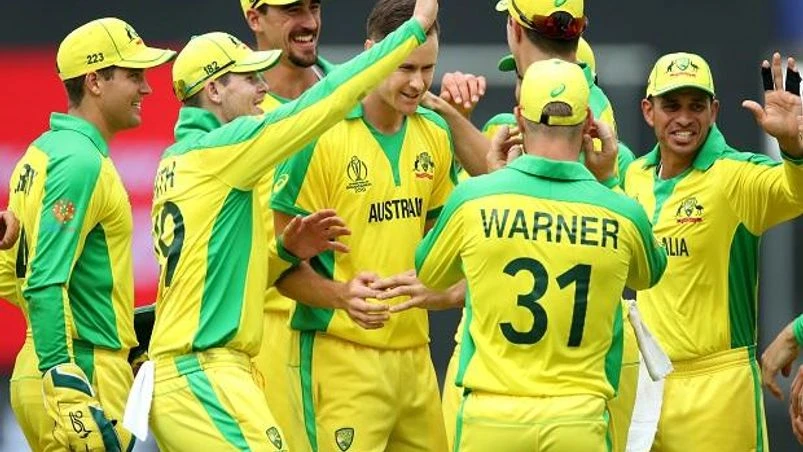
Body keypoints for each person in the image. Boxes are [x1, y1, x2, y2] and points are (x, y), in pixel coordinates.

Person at [143, 0, 439, 448]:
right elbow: (325, 102)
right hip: (205, 366)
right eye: (249, 78)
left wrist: (286, 251)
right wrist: (414, 28)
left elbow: (221, 266)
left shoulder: (177, 158)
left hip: (196, 365)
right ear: (215, 90)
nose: (262, 87)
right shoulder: (225, 149)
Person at [413, 58, 666, 451]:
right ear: (588, 124)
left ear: (518, 118)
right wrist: (608, 181)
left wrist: (496, 178)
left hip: (491, 419)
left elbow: (430, 271)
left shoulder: (474, 198)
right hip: (577, 421)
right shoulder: (621, 212)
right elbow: (649, 274)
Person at [269, 0, 456, 449]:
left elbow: (447, 249)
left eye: (427, 69)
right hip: (340, 358)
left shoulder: (434, 133)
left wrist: (439, 289)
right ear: (372, 52)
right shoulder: (319, 135)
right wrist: (341, 296)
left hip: (416, 360)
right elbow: (278, 268)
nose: (417, 83)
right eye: (404, 66)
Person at [1, 17, 175, 451]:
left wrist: (119, 327)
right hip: (79, 371)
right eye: (134, 75)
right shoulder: (80, 161)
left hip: (51, 365)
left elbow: (9, 275)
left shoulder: (44, 151)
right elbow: (43, 282)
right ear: (95, 81)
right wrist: (65, 381)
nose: (147, 88)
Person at [624, 51, 803, 451]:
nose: (684, 118)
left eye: (696, 106)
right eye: (671, 105)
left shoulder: (735, 177)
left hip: (718, 390)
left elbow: (796, 192)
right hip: (648, 390)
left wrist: (792, 146)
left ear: (714, 111)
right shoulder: (634, 176)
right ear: (648, 111)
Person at [240, 1, 336, 449]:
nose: (309, 22)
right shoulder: (235, 111)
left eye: (314, 6)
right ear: (254, 18)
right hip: (267, 331)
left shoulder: (354, 92)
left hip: (358, 332)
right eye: (291, 10)